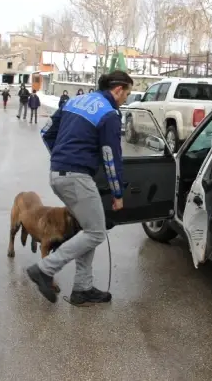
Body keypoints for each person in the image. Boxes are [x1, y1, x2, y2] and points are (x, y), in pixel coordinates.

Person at [26, 70, 133, 306]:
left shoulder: (75, 101)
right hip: (76, 177)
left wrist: (61, 157)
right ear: (118, 90)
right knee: (96, 232)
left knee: (89, 229)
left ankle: (82, 288)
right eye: (127, 93)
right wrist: (117, 193)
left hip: (58, 173)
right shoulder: (109, 114)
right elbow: (111, 157)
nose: (126, 98)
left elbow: (47, 132)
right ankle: (44, 269)